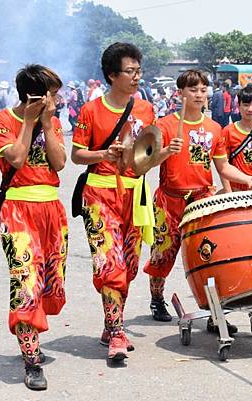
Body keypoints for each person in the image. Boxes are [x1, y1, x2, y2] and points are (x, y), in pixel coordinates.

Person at [143, 69, 252, 326]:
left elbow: (223, 167)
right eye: (193, 90)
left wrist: (247, 179)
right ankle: (157, 297)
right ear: (180, 94)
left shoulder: (213, 128)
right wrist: (165, 151)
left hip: (202, 200)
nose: (199, 94)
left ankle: (216, 312)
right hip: (169, 199)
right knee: (163, 253)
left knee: (211, 255)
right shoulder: (164, 125)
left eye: (202, 89)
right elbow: (145, 163)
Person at [71, 42, 156, 361]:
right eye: (130, 71)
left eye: (139, 70)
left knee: (130, 265)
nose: (137, 77)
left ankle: (111, 322)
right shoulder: (90, 111)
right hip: (100, 194)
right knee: (111, 263)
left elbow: (149, 154)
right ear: (112, 75)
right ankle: (117, 332)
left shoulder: (146, 110)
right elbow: (76, 155)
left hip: (134, 195)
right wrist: (103, 154)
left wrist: (161, 154)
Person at [0, 64, 67, 391]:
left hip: (51, 208)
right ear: (35, 95)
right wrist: (30, 121)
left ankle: (32, 340)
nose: (59, 100)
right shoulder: (0, 120)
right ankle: (31, 359)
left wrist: (46, 123)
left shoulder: (56, 122)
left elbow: (60, 163)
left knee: (49, 281)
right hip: (18, 209)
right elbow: (18, 159)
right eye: (54, 94)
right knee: (25, 280)